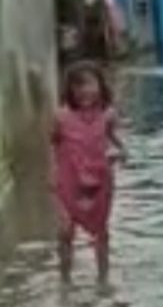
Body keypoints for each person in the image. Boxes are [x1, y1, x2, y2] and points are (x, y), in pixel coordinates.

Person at [51, 61, 125, 287]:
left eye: (89, 84)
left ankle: (103, 279)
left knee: (101, 231)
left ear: (100, 86)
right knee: (65, 230)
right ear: (70, 90)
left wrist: (122, 151)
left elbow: (113, 138)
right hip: (69, 179)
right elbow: (51, 143)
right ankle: (65, 280)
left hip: (100, 179)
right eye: (78, 86)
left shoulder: (108, 114)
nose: (84, 91)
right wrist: (50, 171)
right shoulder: (60, 116)